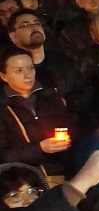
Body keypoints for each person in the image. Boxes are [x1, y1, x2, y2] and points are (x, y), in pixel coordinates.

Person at [0, 46, 72, 179]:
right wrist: (39, 148)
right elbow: (4, 155)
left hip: (62, 171)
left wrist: (67, 141)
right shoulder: (3, 106)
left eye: (31, 68)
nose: (28, 75)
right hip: (23, 178)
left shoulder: (50, 96)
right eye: (19, 71)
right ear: (4, 76)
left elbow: (70, 127)